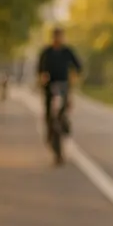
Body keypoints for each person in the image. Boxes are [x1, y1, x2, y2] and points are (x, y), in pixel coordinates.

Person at [37, 28, 83, 157]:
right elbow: (40, 69)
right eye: (56, 37)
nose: (58, 39)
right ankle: (49, 133)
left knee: (64, 108)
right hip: (49, 86)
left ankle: (64, 124)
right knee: (48, 112)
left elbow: (78, 66)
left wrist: (74, 76)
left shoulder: (67, 51)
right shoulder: (46, 52)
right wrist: (42, 77)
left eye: (60, 37)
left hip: (63, 85)